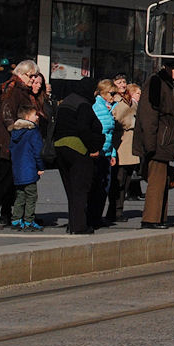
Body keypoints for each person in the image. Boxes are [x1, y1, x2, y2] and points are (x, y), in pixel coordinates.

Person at [0, 60, 40, 230]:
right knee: (2, 181)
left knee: (9, 181)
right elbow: (7, 114)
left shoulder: (20, 89)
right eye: (32, 76)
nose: (33, 79)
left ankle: (5, 215)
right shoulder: (13, 89)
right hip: (5, 143)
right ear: (22, 74)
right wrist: (20, 128)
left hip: (10, 143)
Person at [135, 59, 174, 229]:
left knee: (162, 181)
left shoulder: (166, 84)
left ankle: (159, 218)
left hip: (163, 142)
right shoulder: (156, 82)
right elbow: (149, 116)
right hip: (157, 143)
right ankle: (151, 219)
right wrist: (150, 146)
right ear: (168, 68)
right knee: (156, 181)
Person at [53, 84, 104, 234]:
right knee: (81, 189)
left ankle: (73, 223)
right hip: (77, 149)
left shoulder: (67, 101)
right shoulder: (83, 105)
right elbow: (83, 129)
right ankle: (79, 226)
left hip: (60, 147)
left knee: (71, 189)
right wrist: (94, 147)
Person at [106, 80, 141, 223]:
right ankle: (114, 211)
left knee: (125, 180)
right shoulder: (118, 102)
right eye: (119, 82)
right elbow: (114, 119)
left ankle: (118, 210)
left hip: (129, 145)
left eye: (124, 82)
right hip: (121, 144)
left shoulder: (129, 102)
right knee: (118, 180)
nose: (122, 84)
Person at [87, 80, 118, 229]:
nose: (114, 96)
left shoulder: (108, 107)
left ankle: (97, 216)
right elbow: (100, 131)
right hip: (99, 152)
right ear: (103, 93)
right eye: (112, 93)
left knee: (104, 187)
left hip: (106, 151)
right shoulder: (98, 107)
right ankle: (93, 217)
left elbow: (111, 134)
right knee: (97, 187)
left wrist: (112, 153)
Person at [9, 105, 45, 231]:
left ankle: (16, 219)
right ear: (27, 117)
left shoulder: (15, 132)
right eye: (35, 115)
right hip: (29, 169)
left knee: (20, 195)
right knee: (31, 196)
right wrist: (40, 167)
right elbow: (37, 152)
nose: (37, 117)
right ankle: (29, 220)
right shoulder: (32, 131)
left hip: (18, 170)